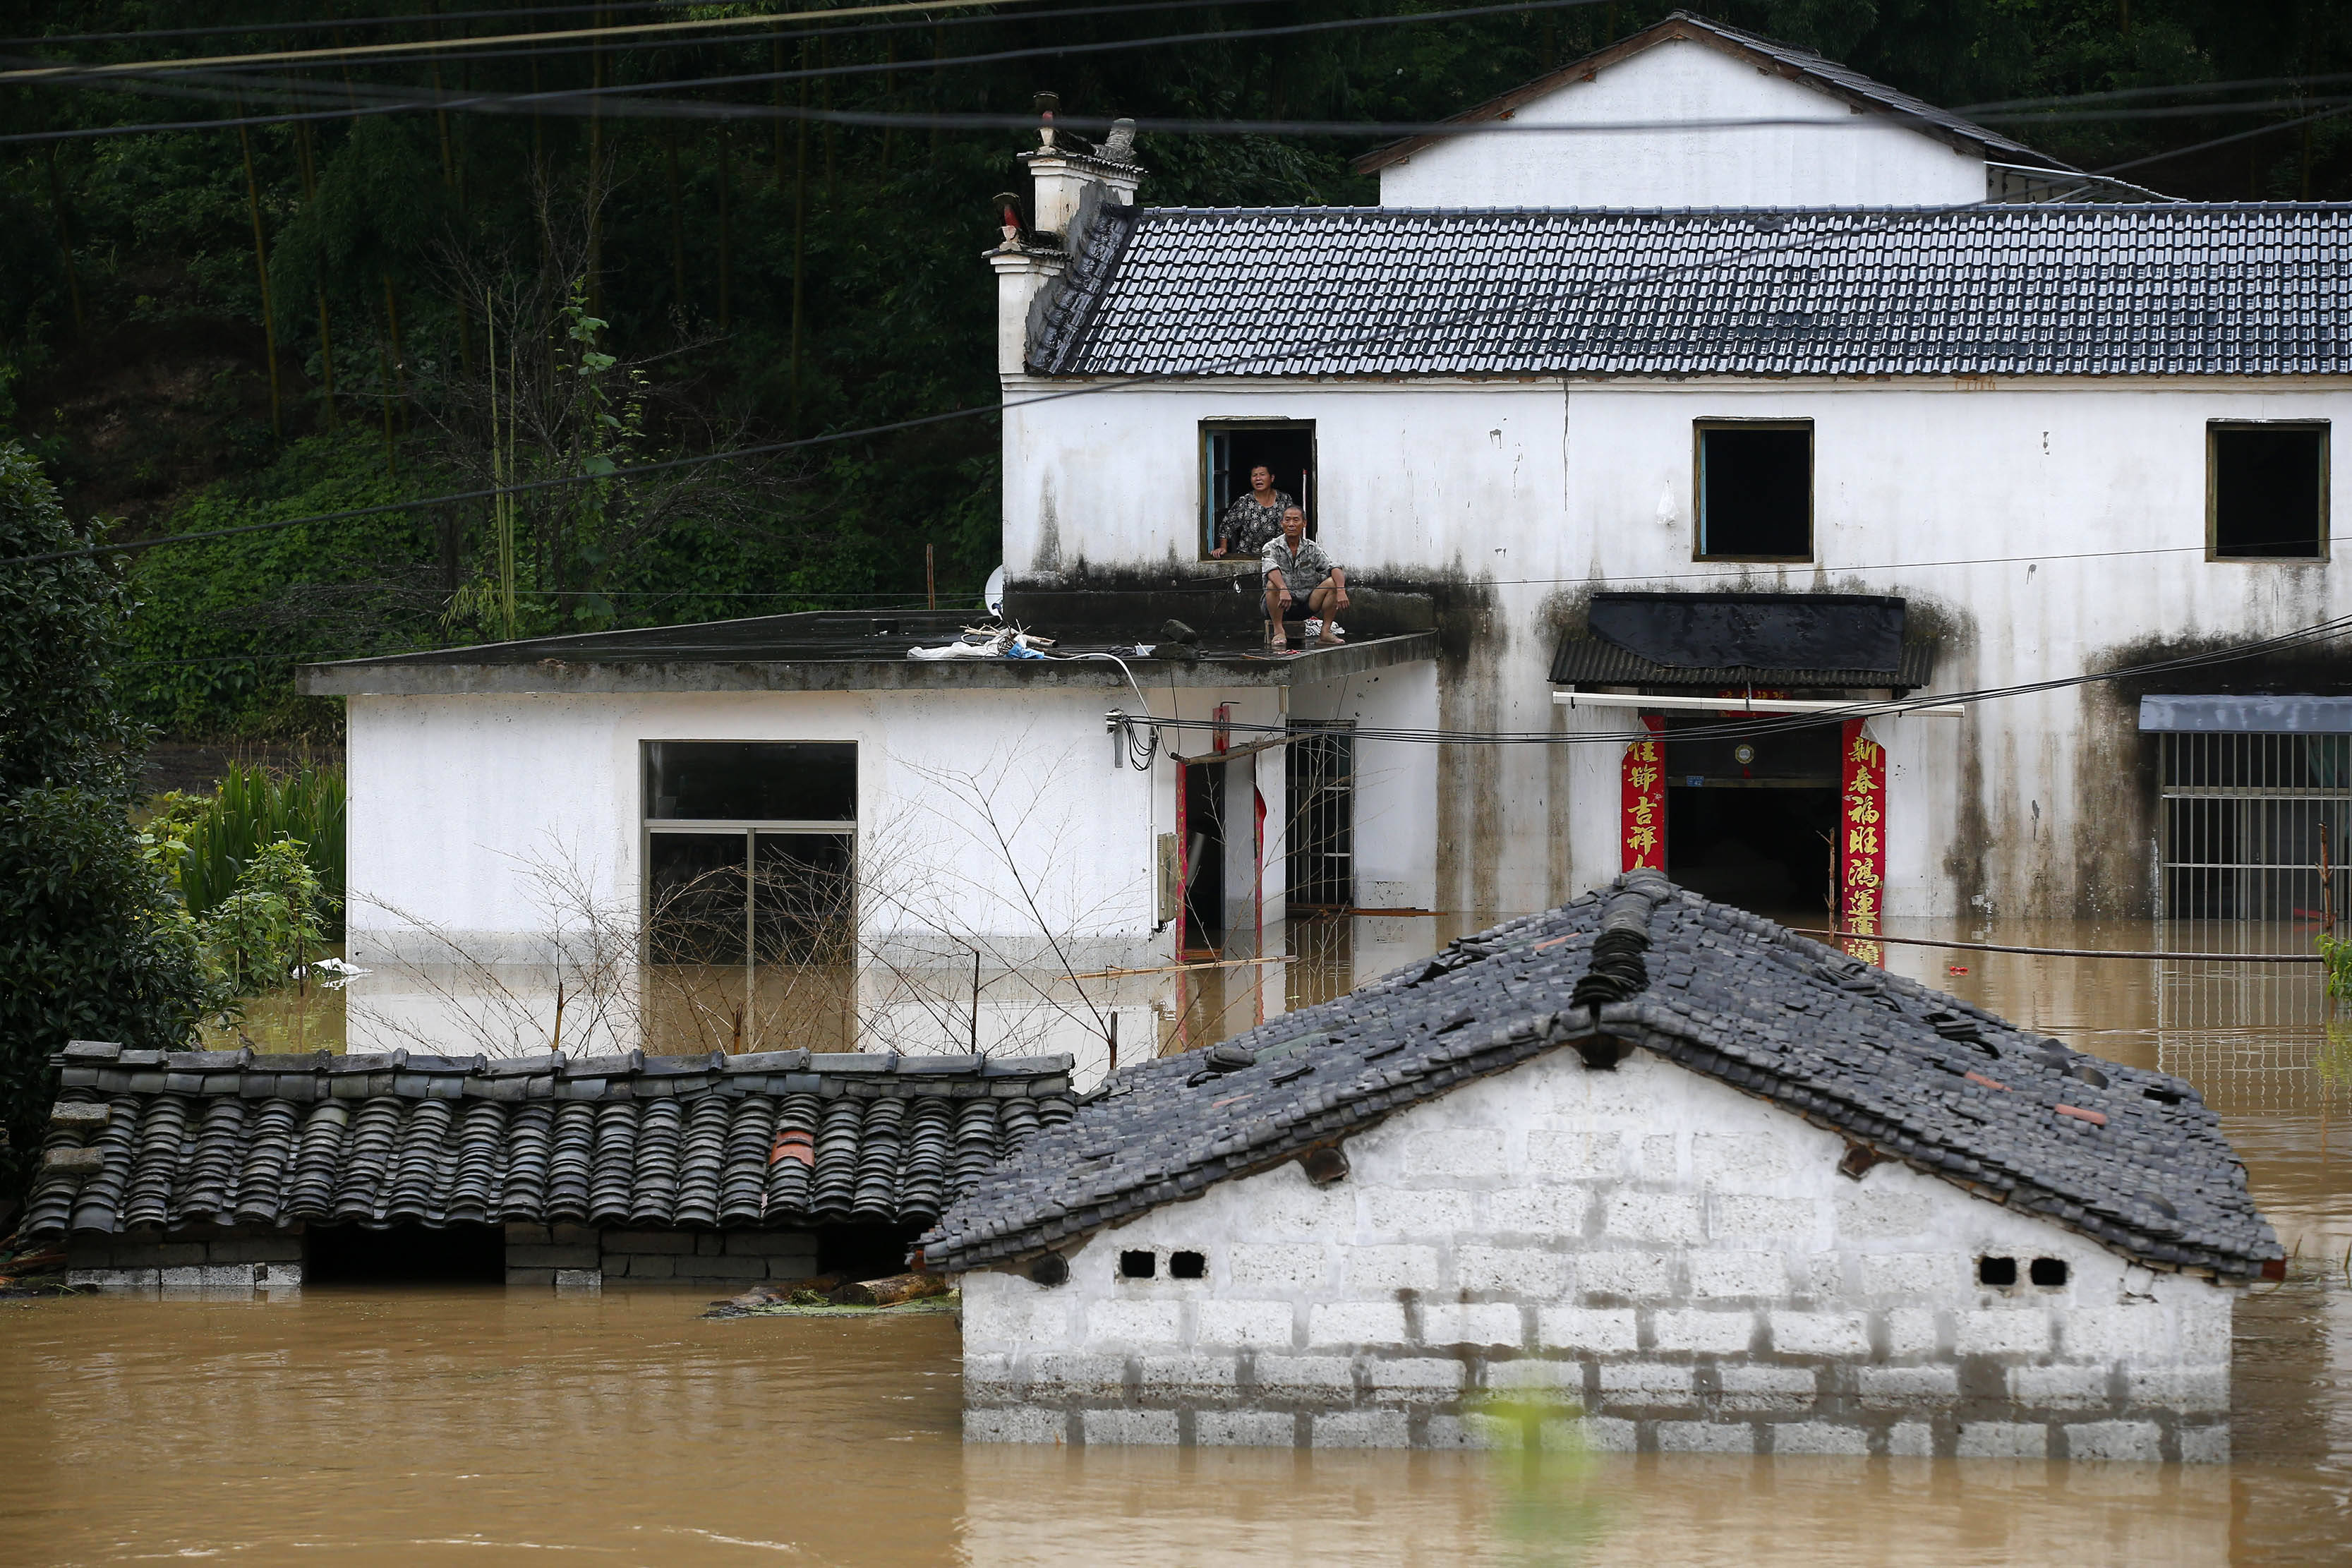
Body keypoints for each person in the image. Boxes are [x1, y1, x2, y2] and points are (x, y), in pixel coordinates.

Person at [1262, 505, 1347, 649]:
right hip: (1278, 606)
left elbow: (1334, 567)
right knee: (1272, 585)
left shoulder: (1312, 548)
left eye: (1296, 520)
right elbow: (1270, 568)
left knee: (1333, 582)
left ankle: (1325, 633)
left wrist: (1341, 590)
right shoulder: (1271, 546)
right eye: (1287, 520)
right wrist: (1283, 589)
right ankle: (1278, 631)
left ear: (1304, 524)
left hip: (1305, 604)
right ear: (1282, 523)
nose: (1291, 524)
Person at [1211, 464, 1291, 559]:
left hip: (1278, 555)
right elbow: (1227, 525)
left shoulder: (1284, 499)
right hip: (1248, 556)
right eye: (1254, 475)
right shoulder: (1245, 501)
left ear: (1272, 478)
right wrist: (1223, 548)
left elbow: (1294, 523)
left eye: (1262, 474)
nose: (1258, 478)